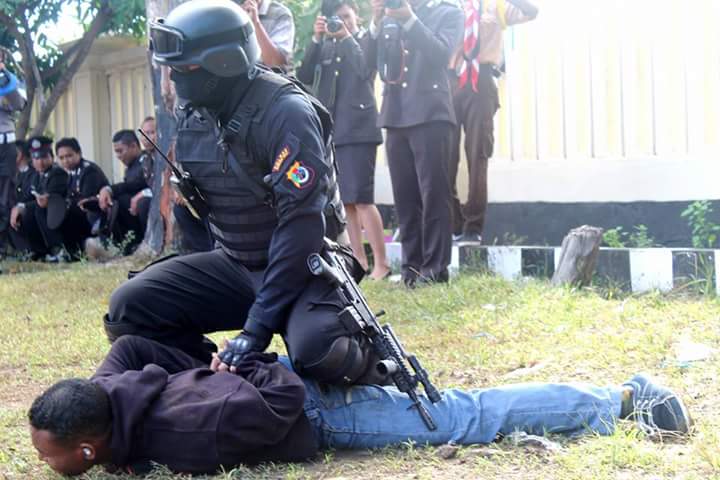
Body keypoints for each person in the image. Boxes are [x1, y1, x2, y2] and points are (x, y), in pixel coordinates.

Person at [107, 0, 382, 386]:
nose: (173, 78)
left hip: (305, 265)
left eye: (182, 68)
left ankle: (369, 369)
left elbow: (301, 230)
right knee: (129, 308)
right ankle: (214, 377)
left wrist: (256, 329)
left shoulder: (286, 113)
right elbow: (198, 212)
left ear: (223, 63)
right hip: (237, 262)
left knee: (321, 350)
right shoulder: (195, 113)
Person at [28, 335, 692, 477]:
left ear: (88, 447)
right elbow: (132, 346)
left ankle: (625, 400)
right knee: (462, 410)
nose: (43, 460)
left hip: (309, 407)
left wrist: (237, 360)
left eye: (47, 453)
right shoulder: (111, 394)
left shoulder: (189, 432)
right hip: (261, 387)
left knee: (465, 417)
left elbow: (283, 400)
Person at [370, 0, 464, 287]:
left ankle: (435, 269)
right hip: (396, 112)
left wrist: (409, 20)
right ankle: (411, 268)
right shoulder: (389, 15)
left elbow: (441, 54)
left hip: (430, 112)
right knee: (405, 197)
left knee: (434, 193)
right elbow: (368, 63)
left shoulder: (449, 12)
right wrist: (375, 22)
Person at [297, 0, 390, 280]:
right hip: (333, 130)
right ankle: (358, 260)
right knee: (345, 201)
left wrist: (347, 37)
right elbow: (303, 75)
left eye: (347, 17)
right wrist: (316, 38)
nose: (343, 23)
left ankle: (382, 264)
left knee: (362, 198)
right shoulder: (327, 45)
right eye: (338, 19)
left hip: (360, 129)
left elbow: (365, 69)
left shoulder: (364, 40)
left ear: (357, 18)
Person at [449, 0, 538, 243]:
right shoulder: (447, 6)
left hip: (482, 81)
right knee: (445, 157)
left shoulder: (494, 5)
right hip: (451, 83)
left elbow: (531, 12)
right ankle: (453, 224)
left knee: (478, 155)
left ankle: (473, 228)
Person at [10, 136, 69, 262]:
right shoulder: (37, 175)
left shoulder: (56, 173)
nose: (40, 162)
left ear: (52, 158)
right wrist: (18, 207)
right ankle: (35, 251)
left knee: (36, 209)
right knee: (18, 212)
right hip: (44, 213)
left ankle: (58, 250)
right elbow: (29, 196)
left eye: (44, 157)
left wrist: (23, 207)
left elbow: (52, 199)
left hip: (61, 214)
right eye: (36, 158)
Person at [92, 130, 149, 256]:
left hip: (146, 206)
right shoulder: (130, 167)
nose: (118, 156)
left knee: (120, 201)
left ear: (134, 146)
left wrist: (110, 190)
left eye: (120, 151)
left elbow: (138, 184)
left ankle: (133, 244)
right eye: (116, 152)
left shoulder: (146, 160)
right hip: (134, 210)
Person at [56, 137, 109, 258]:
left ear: (78, 153)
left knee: (66, 216)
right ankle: (71, 253)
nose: (65, 161)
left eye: (69, 156)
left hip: (96, 214)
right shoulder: (71, 172)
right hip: (81, 213)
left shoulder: (89, 170)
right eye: (61, 158)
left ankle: (76, 252)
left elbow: (86, 198)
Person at [0, 51, 27, 258]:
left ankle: (4, 248)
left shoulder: (11, 81)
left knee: (4, 196)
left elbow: (19, 104)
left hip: (5, 147)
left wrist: (4, 78)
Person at [236, 0, 295, 69]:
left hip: (266, 75)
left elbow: (276, 63)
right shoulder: (229, 8)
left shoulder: (280, 14)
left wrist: (255, 23)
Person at [7, 139, 37, 252]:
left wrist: (19, 206)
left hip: (31, 210)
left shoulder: (34, 172)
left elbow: (31, 196)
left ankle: (26, 251)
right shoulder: (14, 174)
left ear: (18, 155)